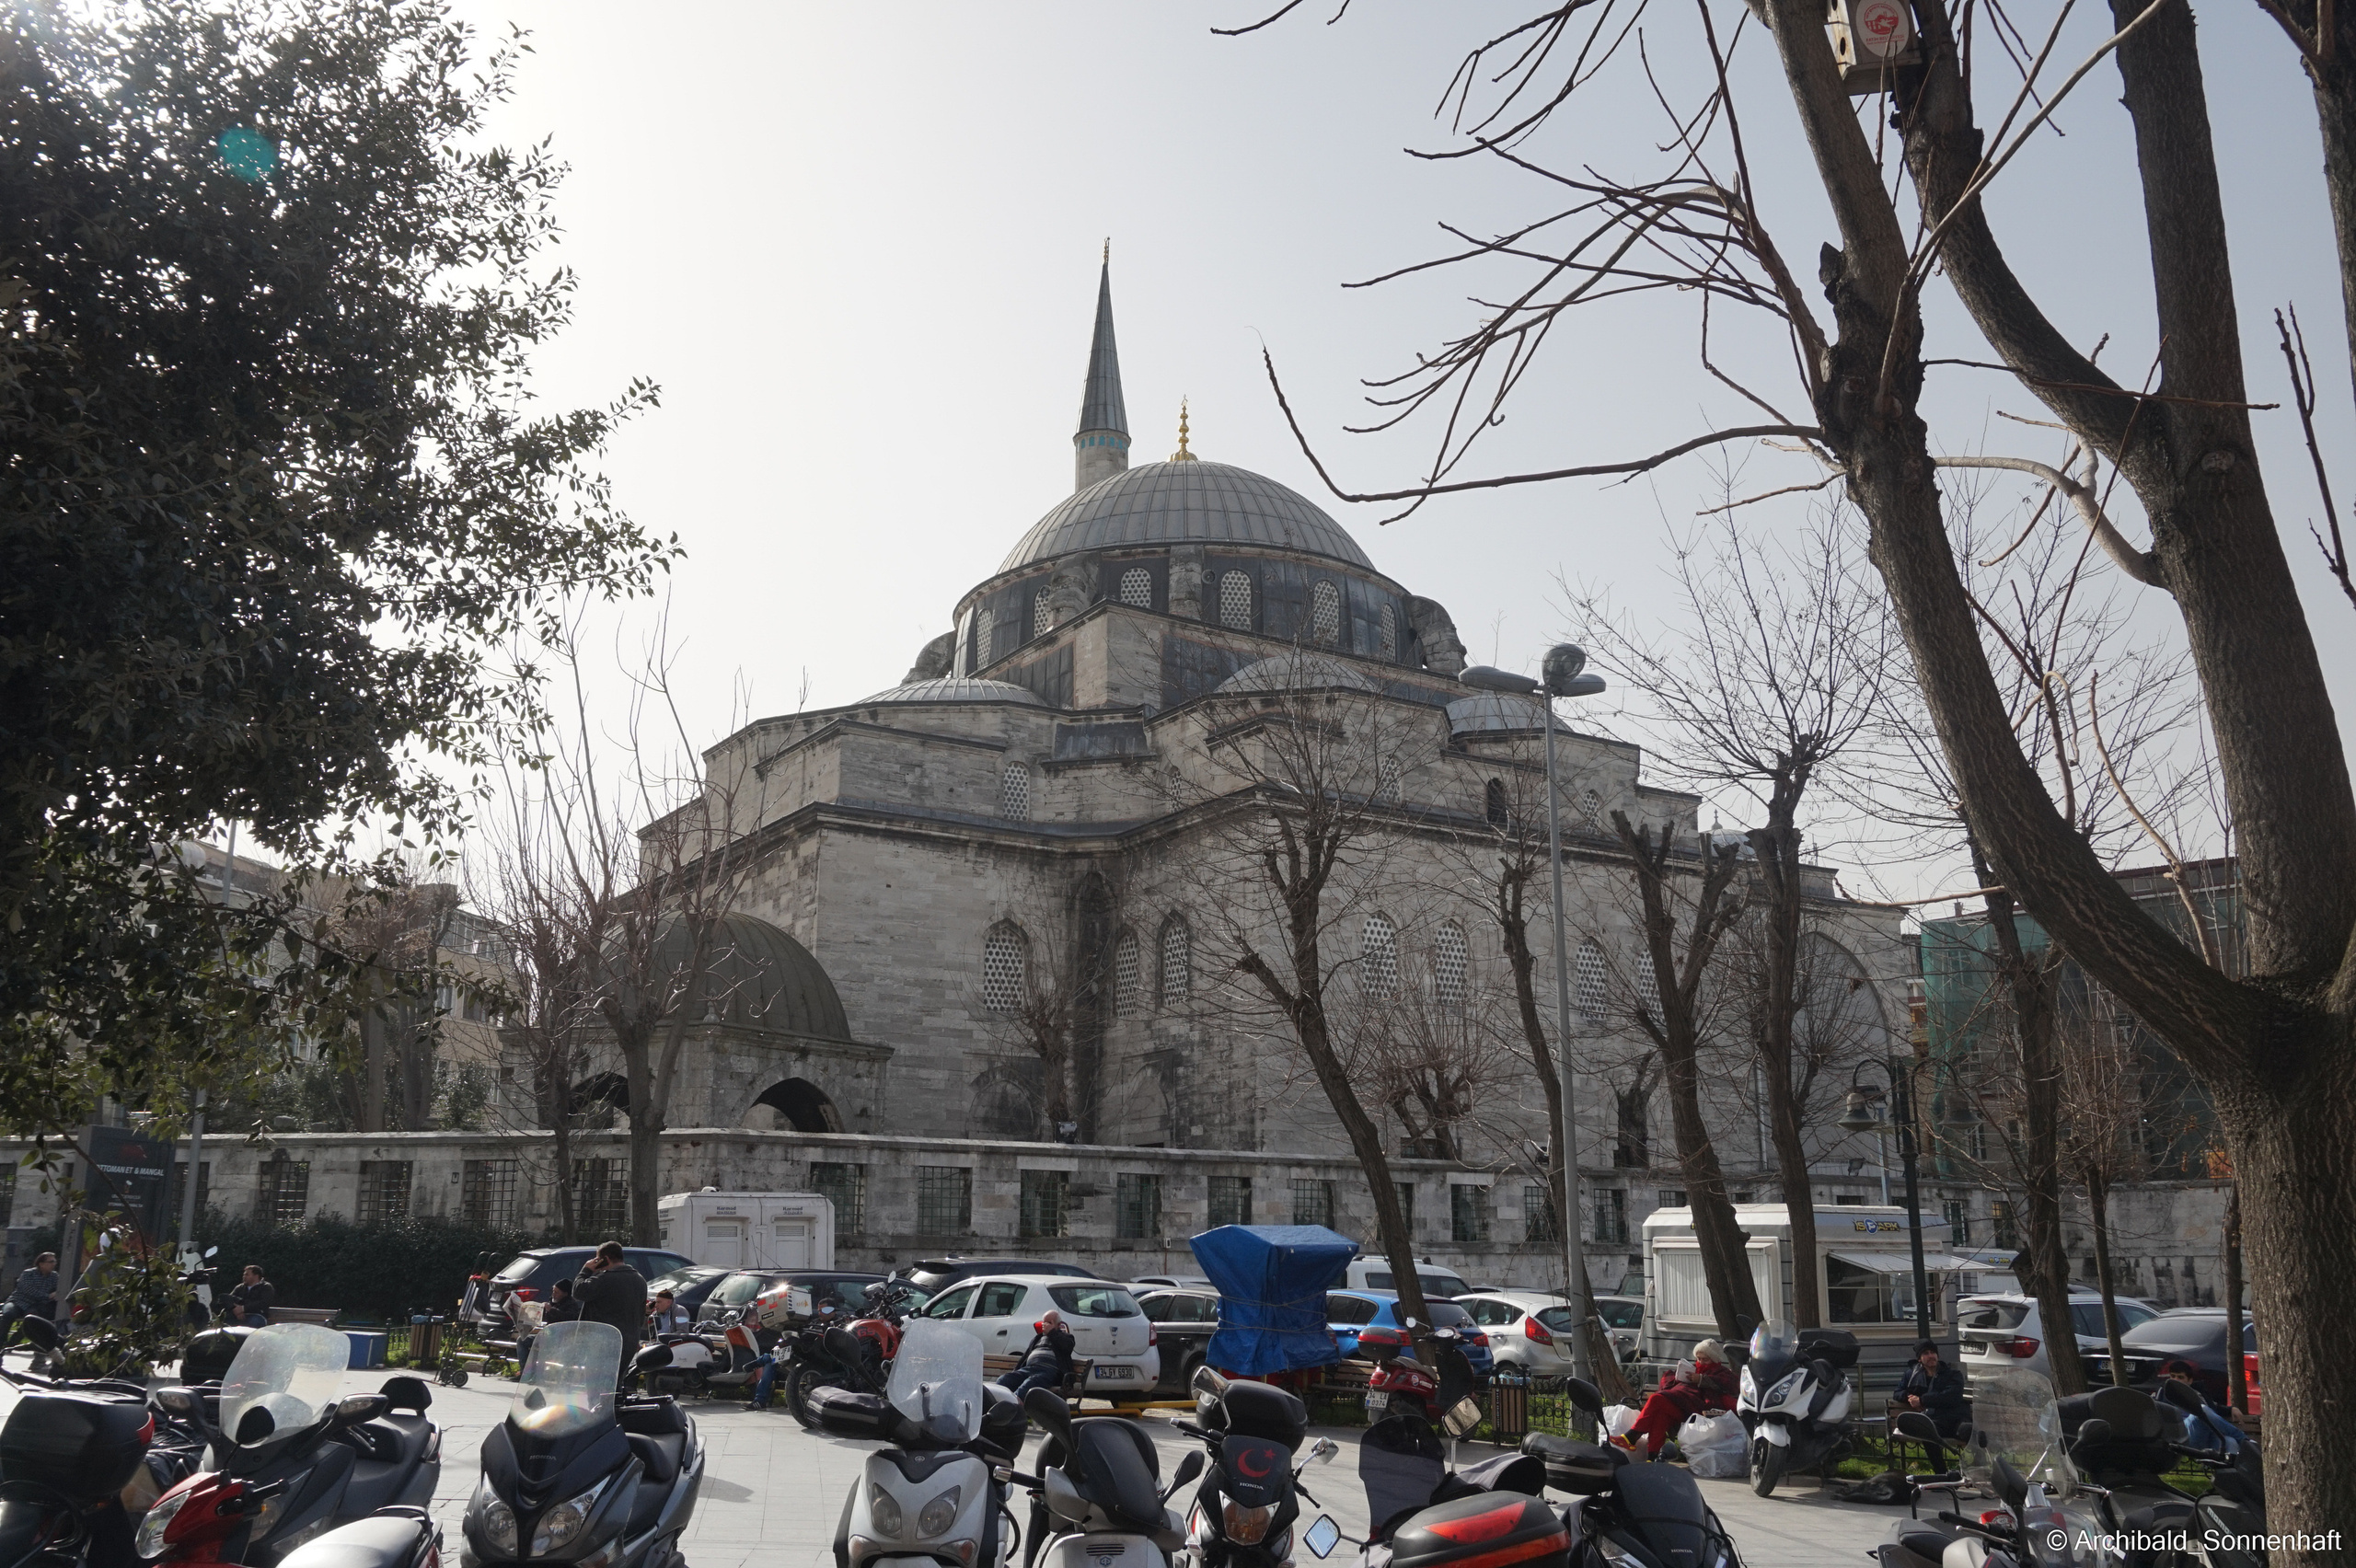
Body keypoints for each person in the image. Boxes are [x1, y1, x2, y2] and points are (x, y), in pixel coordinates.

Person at [1613, 1339, 1738, 1458]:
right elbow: (1673, 1384)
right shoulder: (1692, 1369)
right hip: (1681, 1404)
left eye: (1705, 1359)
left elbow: (1728, 1384)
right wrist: (1679, 1377)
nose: (1701, 1362)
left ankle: (1632, 1436)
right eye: (1698, 1358)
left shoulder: (1721, 1372)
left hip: (1696, 1411)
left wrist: (1701, 1379)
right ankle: (1653, 1456)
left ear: (1714, 1359)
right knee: (1661, 1415)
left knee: (1656, 1399)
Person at [572, 1241, 647, 1390]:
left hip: (603, 1343)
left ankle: (600, 1413)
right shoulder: (640, 1280)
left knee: (595, 1388)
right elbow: (640, 1314)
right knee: (615, 1385)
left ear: (605, 1259)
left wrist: (585, 1270)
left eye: (597, 1259)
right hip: (628, 1342)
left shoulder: (604, 1279)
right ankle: (614, 1410)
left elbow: (578, 1291)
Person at [997, 1309, 1075, 1404]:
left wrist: (1051, 1333)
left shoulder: (1066, 1337)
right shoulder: (1037, 1338)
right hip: (1030, 1369)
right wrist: (1016, 1371)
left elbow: (1067, 1347)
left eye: (1050, 1323)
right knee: (1004, 1380)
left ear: (1058, 1325)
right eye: (1044, 1322)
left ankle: (1013, 1407)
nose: (1046, 1325)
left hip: (1048, 1371)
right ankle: (997, 1404)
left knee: (1029, 1384)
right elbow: (1024, 1358)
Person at [1897, 1340, 1969, 1439]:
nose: (1931, 1356)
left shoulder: (1953, 1374)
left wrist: (1922, 1400)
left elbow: (1951, 1397)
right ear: (1919, 1359)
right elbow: (1897, 1392)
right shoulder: (1912, 1375)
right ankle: (1936, 1456)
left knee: (1966, 1430)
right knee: (1926, 1430)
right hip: (1935, 1421)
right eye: (1926, 1353)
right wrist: (1910, 1398)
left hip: (1956, 1419)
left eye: (1933, 1352)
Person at [0, 1252, 58, 1350]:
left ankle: (12, 1344)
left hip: (35, 1305)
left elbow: (60, 1289)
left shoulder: (54, 1276)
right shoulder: (28, 1273)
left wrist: (57, 1293)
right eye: (51, 1261)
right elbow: (28, 1290)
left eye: (55, 1261)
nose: (54, 1264)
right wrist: (48, 1296)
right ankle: (1, 1341)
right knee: (8, 1314)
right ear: (41, 1264)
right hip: (17, 1301)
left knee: (31, 1320)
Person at [226, 1264, 275, 1328]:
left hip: (257, 1315)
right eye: (244, 1275)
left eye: (247, 1275)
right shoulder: (240, 1287)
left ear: (256, 1276)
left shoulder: (266, 1287)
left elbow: (263, 1303)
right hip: (238, 1316)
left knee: (253, 1322)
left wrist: (243, 1308)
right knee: (227, 1322)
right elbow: (229, 1299)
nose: (244, 1277)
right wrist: (236, 1311)